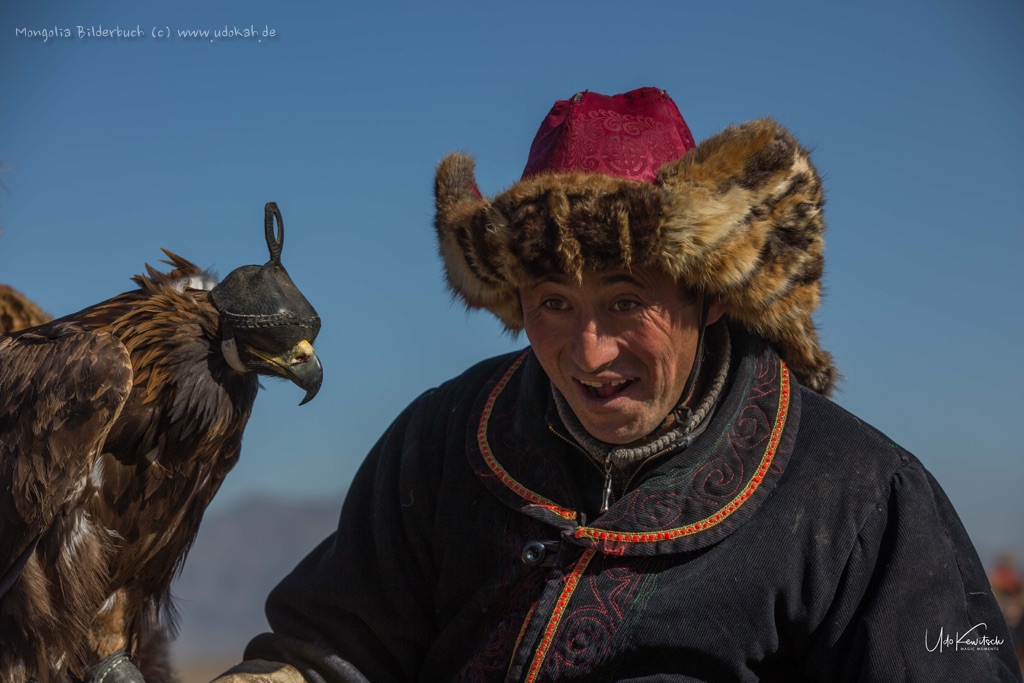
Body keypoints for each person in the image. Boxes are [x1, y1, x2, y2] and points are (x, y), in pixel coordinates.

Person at [217, 88, 1022, 682]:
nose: (589, 351)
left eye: (626, 301)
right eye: (554, 305)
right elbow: (330, 653)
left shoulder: (861, 498)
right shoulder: (445, 437)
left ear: (706, 294)